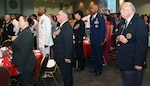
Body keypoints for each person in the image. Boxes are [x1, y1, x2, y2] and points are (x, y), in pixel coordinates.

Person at [116, 2, 148, 86]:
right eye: (121, 9)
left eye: (123, 9)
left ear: (131, 10)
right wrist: (119, 37)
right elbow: (118, 34)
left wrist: (139, 63)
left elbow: (142, 45)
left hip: (132, 63)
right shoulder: (123, 21)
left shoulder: (139, 23)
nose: (121, 11)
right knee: (125, 82)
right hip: (124, 60)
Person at [11, 15, 36, 86]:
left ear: (26, 23)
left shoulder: (26, 34)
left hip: (26, 64)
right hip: (25, 63)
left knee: (26, 83)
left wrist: (20, 68)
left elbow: (24, 52)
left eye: (20, 21)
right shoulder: (23, 32)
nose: (18, 22)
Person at [53, 10, 74, 86]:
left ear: (63, 16)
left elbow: (69, 43)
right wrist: (54, 34)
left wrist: (67, 56)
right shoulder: (61, 26)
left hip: (64, 55)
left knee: (67, 75)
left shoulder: (67, 27)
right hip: (61, 54)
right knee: (64, 74)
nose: (57, 16)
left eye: (58, 15)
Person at [90, 5, 106, 76]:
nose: (91, 9)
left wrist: (102, 40)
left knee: (98, 55)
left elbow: (102, 30)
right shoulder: (91, 17)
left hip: (98, 40)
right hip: (93, 40)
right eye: (91, 8)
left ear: (96, 10)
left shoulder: (100, 18)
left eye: (93, 8)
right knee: (94, 55)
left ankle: (99, 69)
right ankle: (95, 68)